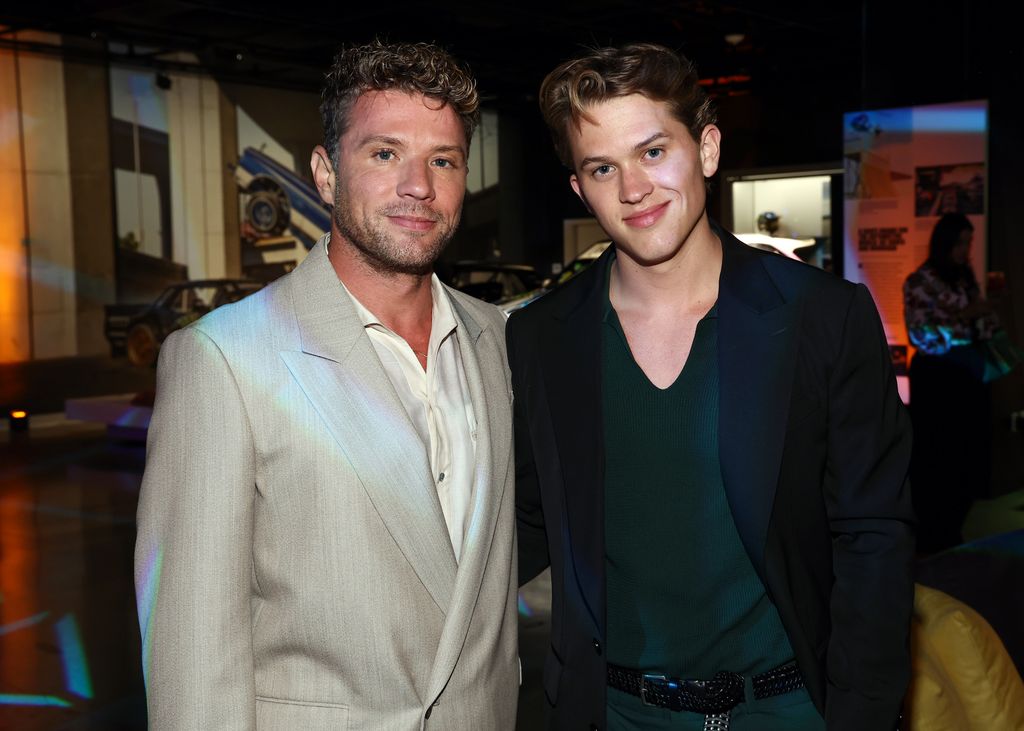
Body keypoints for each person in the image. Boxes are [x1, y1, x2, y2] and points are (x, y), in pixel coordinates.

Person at [508, 44, 914, 730]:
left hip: (787, 710)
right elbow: (525, 519)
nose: (633, 188)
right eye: (603, 168)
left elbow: (873, 534)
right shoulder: (542, 336)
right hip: (615, 712)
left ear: (707, 149)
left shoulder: (822, 316)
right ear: (579, 189)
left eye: (653, 151)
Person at [135, 41, 519, 730]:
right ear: (325, 173)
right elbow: (193, 655)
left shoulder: (497, 340)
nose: (418, 186)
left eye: (443, 160)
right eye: (384, 153)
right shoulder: (222, 359)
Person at [903, 212, 998, 553]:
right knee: (937, 456)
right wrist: (964, 316)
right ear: (945, 243)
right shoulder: (920, 281)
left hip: (966, 376)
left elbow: (978, 327)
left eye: (968, 243)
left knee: (967, 456)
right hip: (938, 379)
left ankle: (952, 530)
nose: (965, 250)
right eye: (960, 242)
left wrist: (984, 319)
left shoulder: (963, 279)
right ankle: (934, 536)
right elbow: (920, 335)